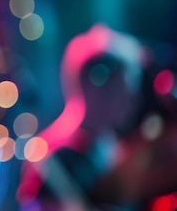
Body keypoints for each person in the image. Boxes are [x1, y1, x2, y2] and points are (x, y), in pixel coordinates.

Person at [16, 24, 177, 210]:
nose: (133, 101)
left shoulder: (112, 148)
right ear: (96, 85)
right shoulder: (51, 158)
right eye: (126, 90)